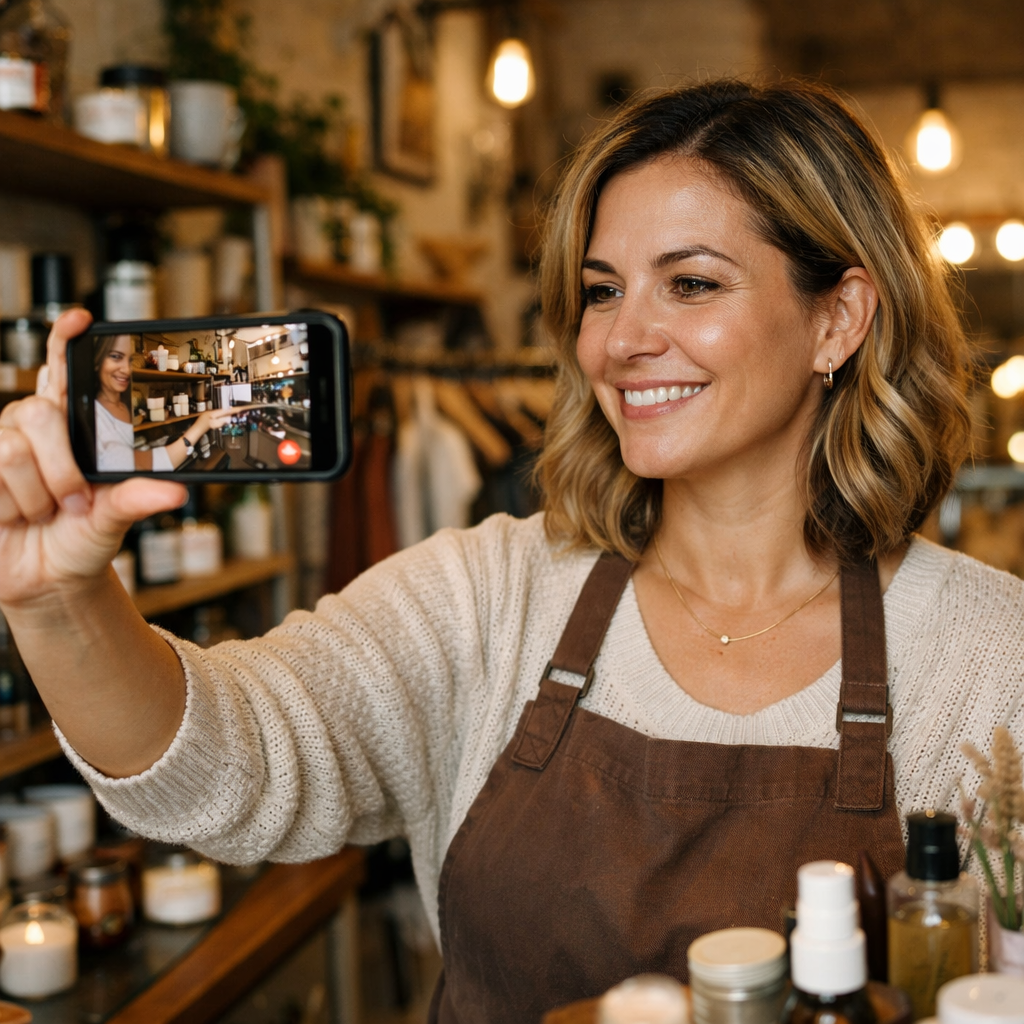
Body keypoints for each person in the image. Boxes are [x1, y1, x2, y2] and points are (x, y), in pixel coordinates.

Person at [0, 80, 1022, 1023]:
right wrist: (58, 599)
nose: (620, 340)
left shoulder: (985, 656)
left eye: (692, 284)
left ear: (835, 318)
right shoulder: (485, 597)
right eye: (603, 289)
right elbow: (231, 769)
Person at [93, 333, 233, 472]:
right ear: (98, 358)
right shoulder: (95, 417)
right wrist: (200, 425)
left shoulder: (125, 406)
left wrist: (203, 424)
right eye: (115, 357)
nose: (126, 369)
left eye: (130, 360)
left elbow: (151, 461)